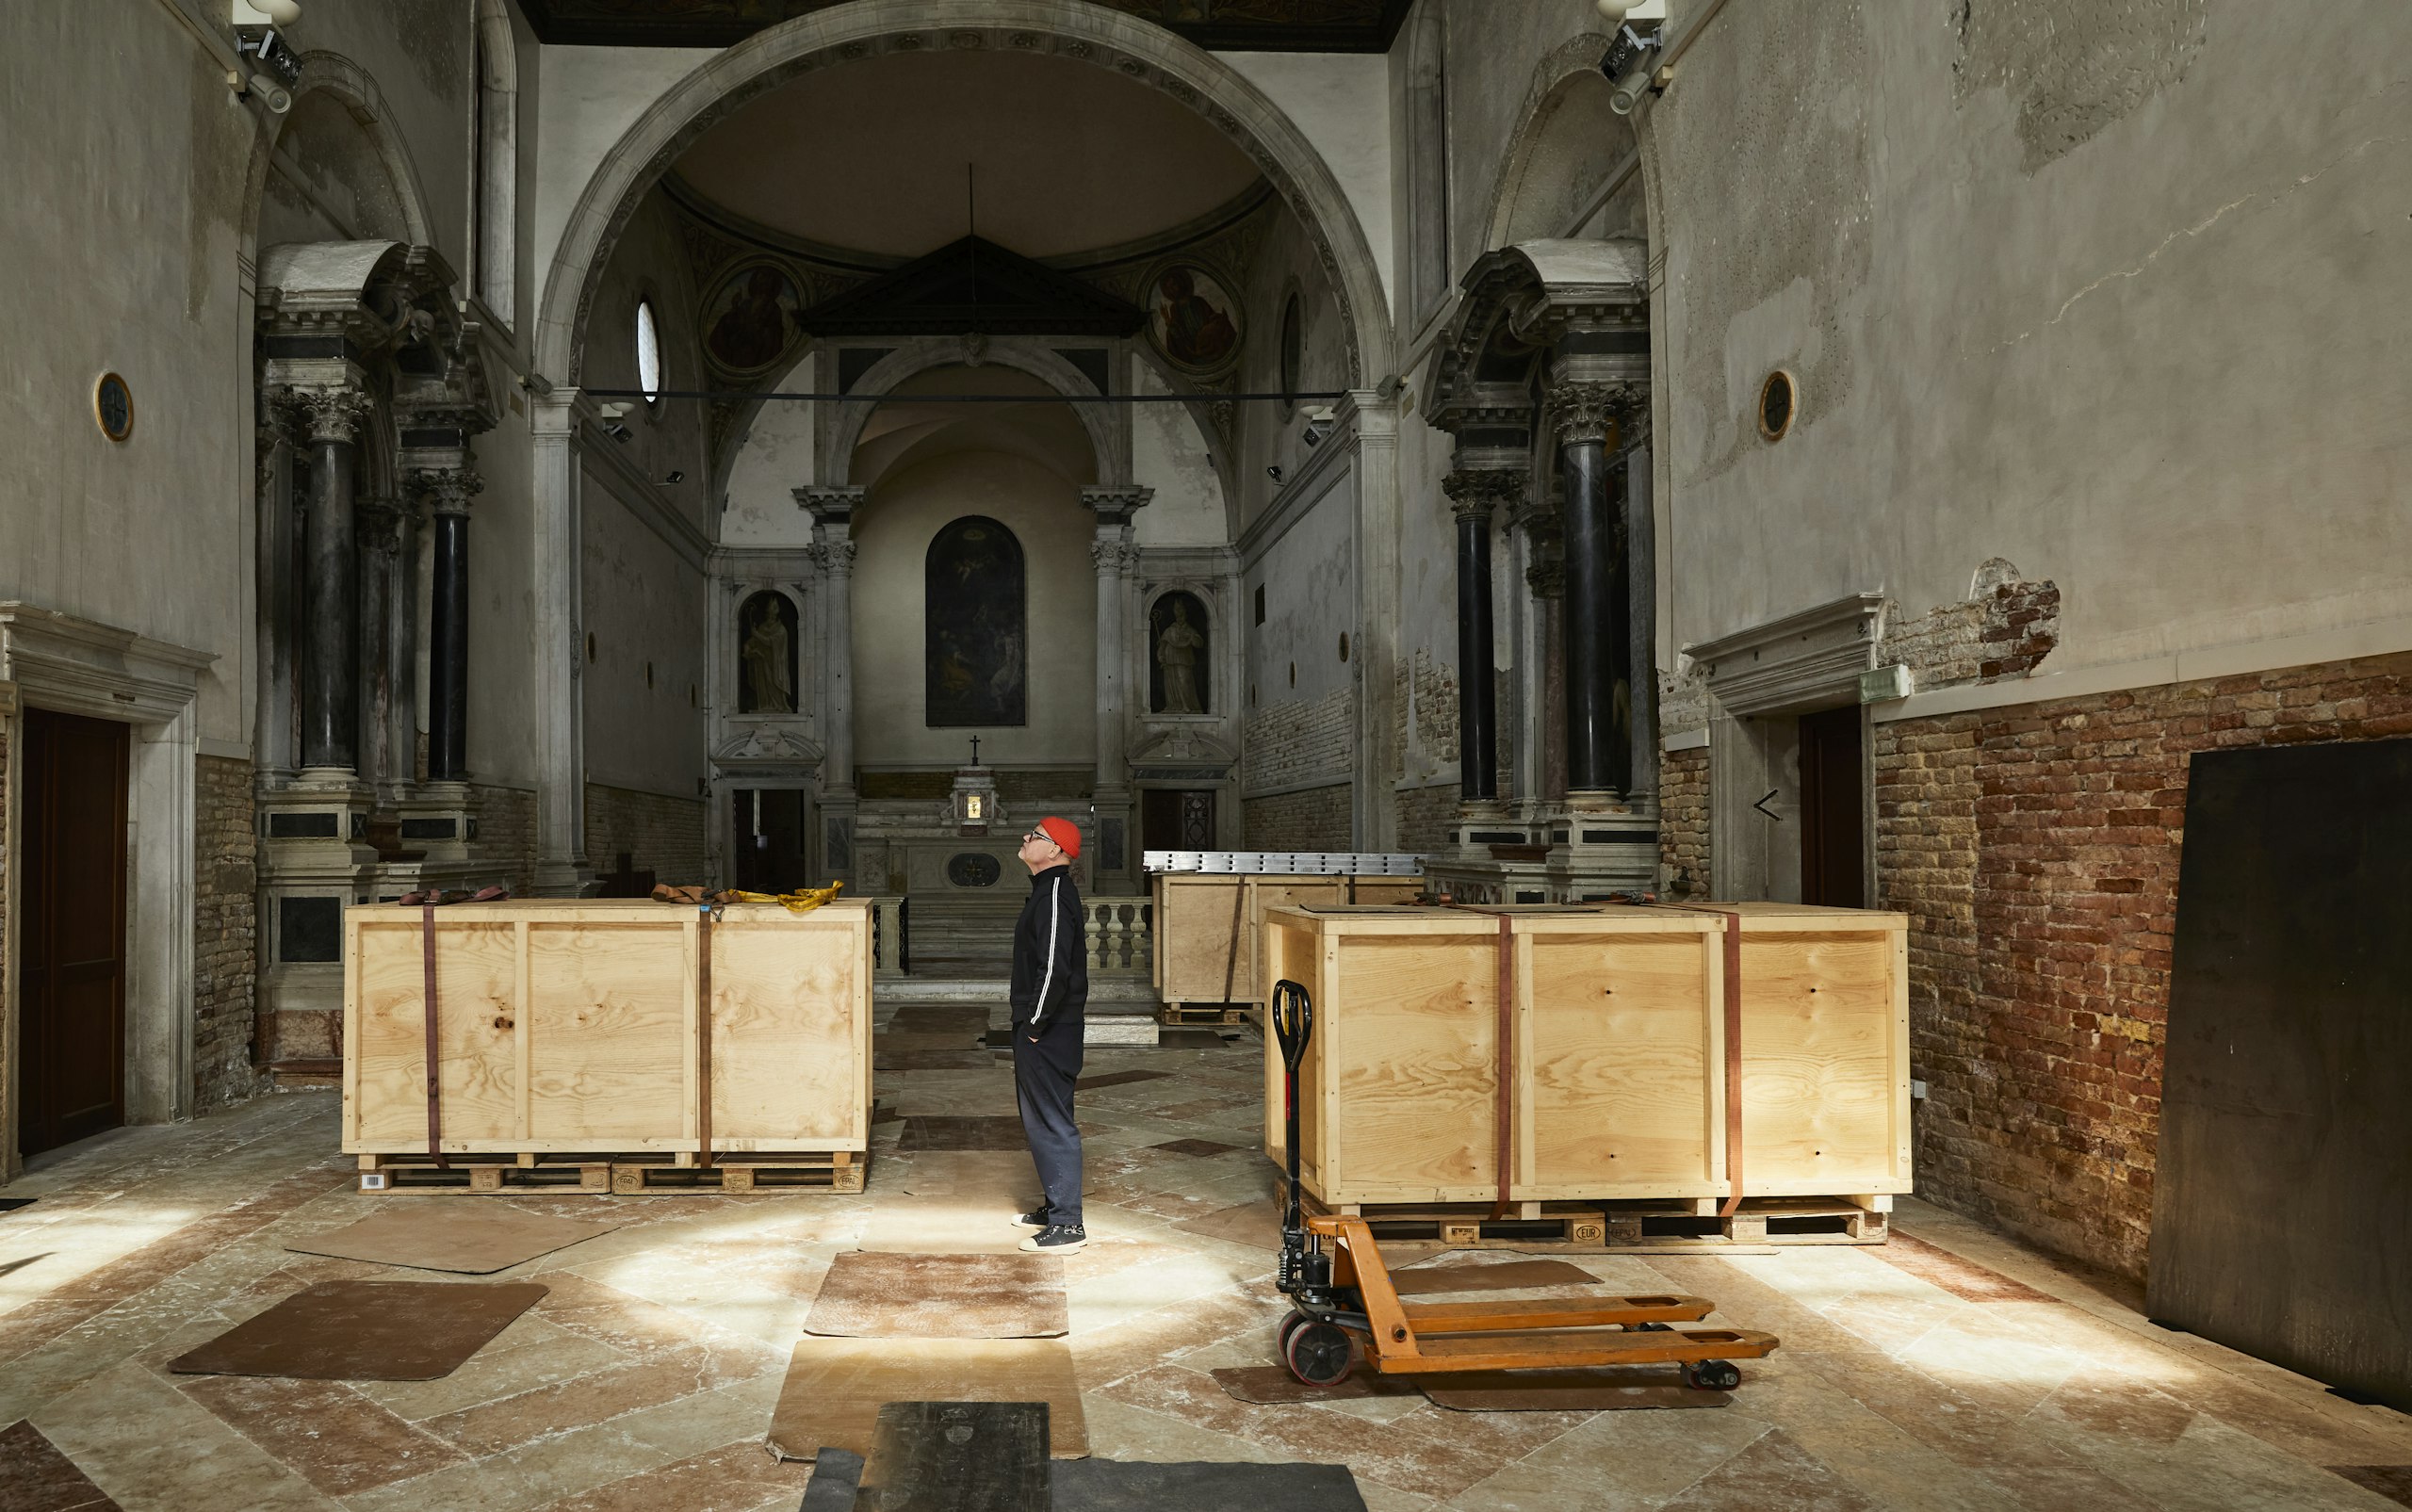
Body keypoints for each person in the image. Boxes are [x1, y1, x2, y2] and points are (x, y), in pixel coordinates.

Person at [1010, 816, 1089, 1253]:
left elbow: (1054, 968)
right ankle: (1055, 1203)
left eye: (1036, 836)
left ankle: (1068, 1225)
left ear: (1056, 850)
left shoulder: (1056, 893)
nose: (1026, 838)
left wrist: (1036, 1024)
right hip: (1042, 1025)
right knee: (1042, 1116)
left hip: (1050, 1028)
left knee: (1052, 1120)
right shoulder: (1046, 890)